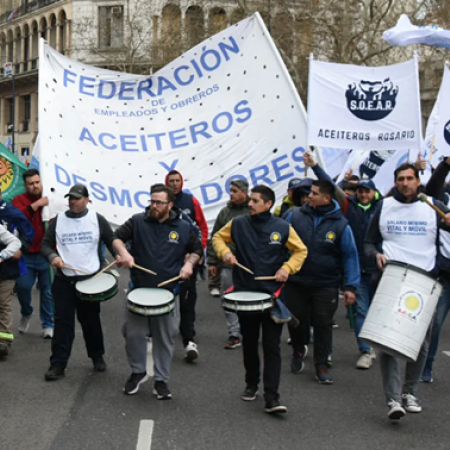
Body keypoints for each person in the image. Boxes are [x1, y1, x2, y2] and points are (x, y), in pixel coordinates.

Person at [364, 163, 450, 420]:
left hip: (425, 281)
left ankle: (409, 392)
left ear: (417, 180)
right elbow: (368, 242)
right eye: (400, 179)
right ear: (396, 182)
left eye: (410, 178)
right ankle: (392, 399)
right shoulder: (385, 206)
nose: (405, 183)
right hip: (391, 278)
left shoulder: (433, 206)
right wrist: (375, 254)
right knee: (387, 341)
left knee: (420, 342)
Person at [213, 185, 308, 414]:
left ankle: (272, 397)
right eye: (251, 200)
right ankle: (251, 383)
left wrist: (287, 268)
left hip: (272, 296)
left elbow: (300, 251)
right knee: (249, 342)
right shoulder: (238, 223)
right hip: (245, 293)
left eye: (255, 201)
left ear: (268, 204)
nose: (250, 204)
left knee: (272, 346)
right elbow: (217, 237)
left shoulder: (283, 227)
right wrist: (224, 253)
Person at [113, 184, 202, 399]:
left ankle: (161, 380)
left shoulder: (182, 227)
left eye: (159, 202)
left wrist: (189, 264)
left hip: (168, 291)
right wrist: (124, 254)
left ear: (170, 204)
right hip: (139, 290)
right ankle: (138, 371)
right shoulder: (137, 221)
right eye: (152, 201)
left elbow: (197, 249)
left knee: (165, 337)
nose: (154, 205)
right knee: (132, 333)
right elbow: (116, 237)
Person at [303, 153, 381, 369]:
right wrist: (315, 166)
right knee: (359, 310)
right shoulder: (348, 205)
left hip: (381, 269)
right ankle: (366, 349)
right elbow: (329, 185)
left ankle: (386, 346)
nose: (363, 194)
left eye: (367, 191)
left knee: (380, 311)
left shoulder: (384, 207)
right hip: (359, 270)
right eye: (360, 191)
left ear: (374, 192)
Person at [284, 180, 359, 384]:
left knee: (323, 324)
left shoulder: (341, 224)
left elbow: (350, 255)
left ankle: (321, 365)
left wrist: (351, 286)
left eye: (314, 193)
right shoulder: (294, 215)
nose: (309, 196)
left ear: (327, 198)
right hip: (296, 280)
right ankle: (299, 350)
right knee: (296, 320)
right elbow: (281, 243)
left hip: (325, 283)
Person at [40, 184, 115, 381]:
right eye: (70, 198)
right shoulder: (58, 221)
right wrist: (52, 257)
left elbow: (112, 240)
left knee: (90, 321)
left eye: (76, 198)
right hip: (64, 280)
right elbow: (45, 244)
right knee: (63, 323)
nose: (72, 201)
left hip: (89, 280)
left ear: (87, 199)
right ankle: (58, 363)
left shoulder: (97, 220)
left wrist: (120, 257)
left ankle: (97, 355)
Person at [165, 170, 208, 361]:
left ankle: (189, 341)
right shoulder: (157, 208)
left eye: (177, 181)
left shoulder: (191, 202)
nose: (175, 184)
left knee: (187, 303)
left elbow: (202, 230)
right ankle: (157, 339)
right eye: (171, 181)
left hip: (188, 265)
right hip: (167, 265)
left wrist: (197, 254)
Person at [207, 179, 249, 349]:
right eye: (230, 190)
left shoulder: (253, 211)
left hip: (249, 265)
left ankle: (249, 330)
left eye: (235, 190)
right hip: (228, 265)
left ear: (244, 192)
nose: (231, 193)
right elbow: (215, 237)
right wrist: (212, 261)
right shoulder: (224, 213)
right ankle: (234, 333)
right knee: (229, 299)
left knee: (248, 299)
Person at [12, 169, 54, 338]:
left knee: (47, 290)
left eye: (37, 182)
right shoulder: (19, 200)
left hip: (46, 253)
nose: (35, 186)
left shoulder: (49, 198)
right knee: (23, 287)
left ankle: (48, 323)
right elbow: (17, 217)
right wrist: (36, 205)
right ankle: (26, 312)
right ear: (25, 185)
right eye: (31, 183)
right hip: (25, 254)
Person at [421, 157, 450, 382]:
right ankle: (427, 366)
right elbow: (431, 190)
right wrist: (445, 164)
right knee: (436, 323)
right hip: (445, 274)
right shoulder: (443, 199)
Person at [0, 225, 25, 358]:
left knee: (3, 304)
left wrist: (2, 255)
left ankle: (3, 342)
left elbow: (15, 242)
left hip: (5, 274)